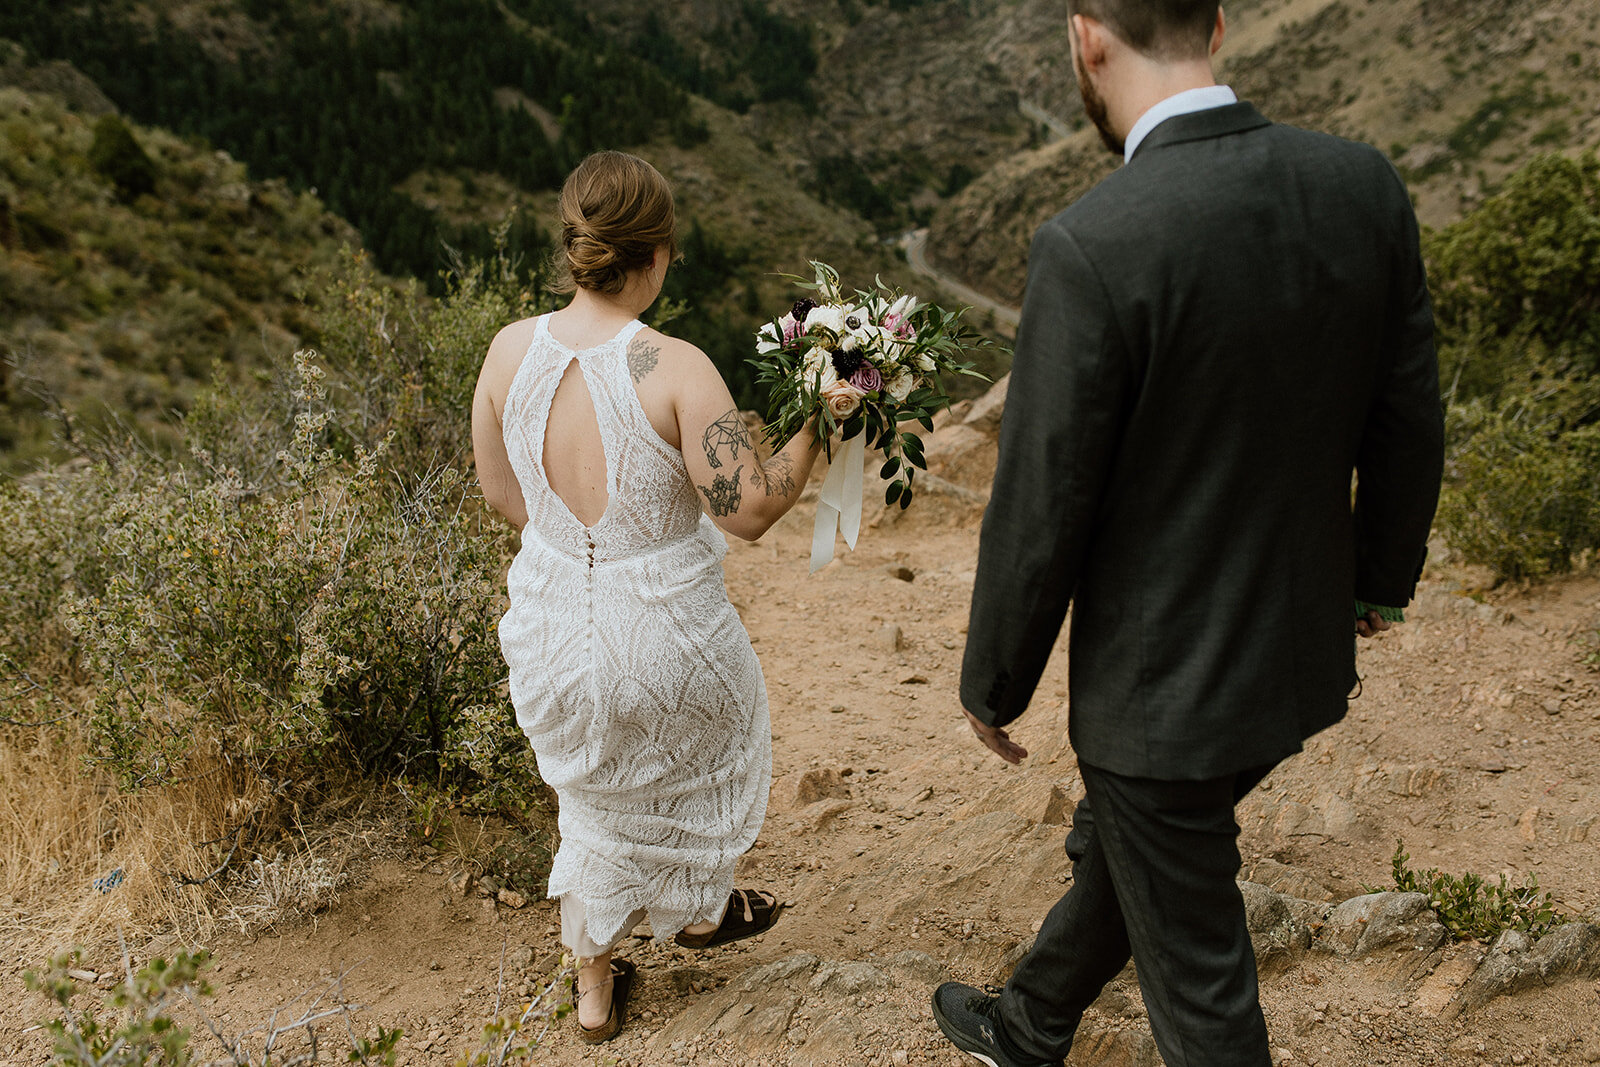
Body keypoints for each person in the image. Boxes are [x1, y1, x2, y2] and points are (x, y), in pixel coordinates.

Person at [933, 0, 1445, 1062]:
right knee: (1135, 846)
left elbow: (1042, 503)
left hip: (1163, 687)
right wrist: (1378, 579)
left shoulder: (1092, 242)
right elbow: (1407, 415)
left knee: (1203, 992)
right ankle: (1028, 1025)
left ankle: (1030, 1027)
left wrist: (994, 679)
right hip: (1295, 650)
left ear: (1085, 37)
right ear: (1215, 26)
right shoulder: (1362, 186)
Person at [471, 151, 822, 1044]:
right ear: (657, 253)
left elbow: (503, 497)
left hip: (550, 628)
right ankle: (699, 910)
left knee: (589, 796)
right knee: (699, 755)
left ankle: (594, 994)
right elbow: (747, 511)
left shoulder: (510, 350)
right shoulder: (674, 367)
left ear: (575, 246)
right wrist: (822, 419)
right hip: (668, 635)